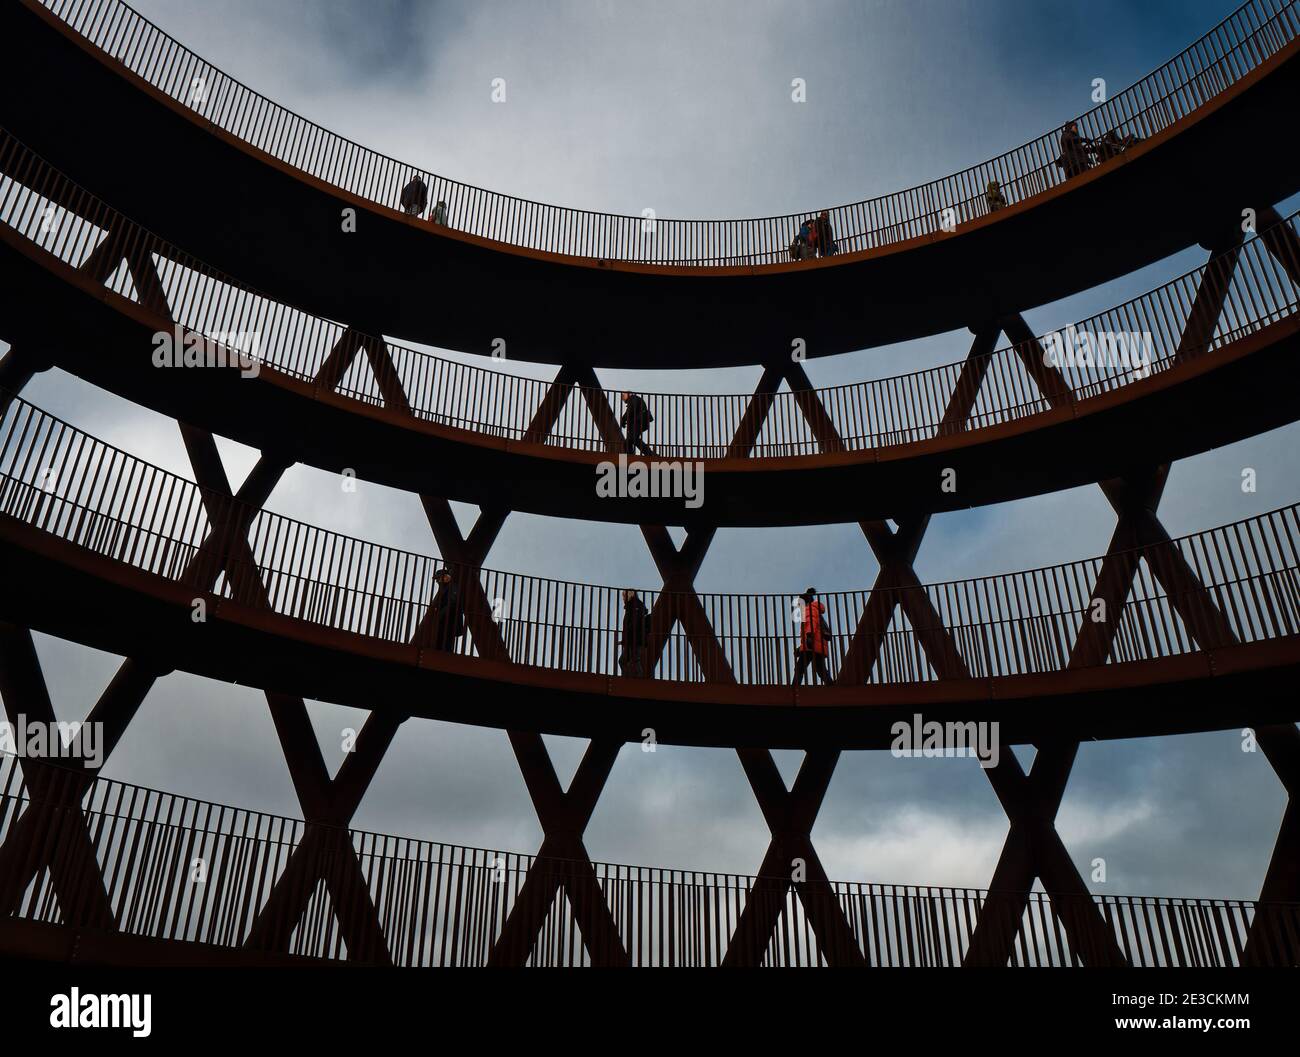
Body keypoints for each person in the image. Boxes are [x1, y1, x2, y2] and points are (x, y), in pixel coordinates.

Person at [792, 587, 832, 686]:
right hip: (817, 644)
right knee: (820, 668)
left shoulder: (809, 609)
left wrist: (809, 637)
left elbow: (811, 623)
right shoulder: (814, 609)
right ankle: (831, 685)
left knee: (800, 667)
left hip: (811, 644)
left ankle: (794, 687)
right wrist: (800, 647)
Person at [430, 567, 466, 652]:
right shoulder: (445, 588)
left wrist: (440, 614)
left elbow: (453, 603)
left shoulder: (452, 587)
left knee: (445, 642)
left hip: (449, 620)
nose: (437, 581)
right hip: (446, 620)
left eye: (438, 578)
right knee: (442, 642)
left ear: (446, 577)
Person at [619, 589, 650, 676]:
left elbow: (633, 623)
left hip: (635, 639)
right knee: (630, 660)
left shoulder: (634, 605)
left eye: (624, 596)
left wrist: (627, 638)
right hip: (633, 639)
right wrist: (624, 640)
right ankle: (632, 679)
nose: (623, 598)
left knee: (629, 660)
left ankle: (634, 680)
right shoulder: (635, 605)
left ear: (630, 595)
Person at [620, 391, 656, 456]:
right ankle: (631, 456)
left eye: (623, 395)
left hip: (638, 422)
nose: (622, 397)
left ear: (629, 394)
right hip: (638, 422)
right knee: (628, 441)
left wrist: (623, 419)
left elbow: (631, 409)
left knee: (632, 439)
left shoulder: (633, 399)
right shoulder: (633, 400)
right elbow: (631, 410)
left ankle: (650, 454)